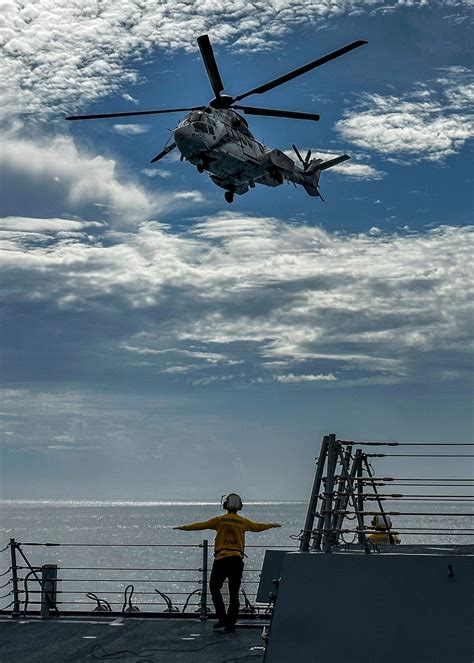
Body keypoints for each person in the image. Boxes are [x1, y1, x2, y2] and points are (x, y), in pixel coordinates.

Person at [174, 493, 281, 632]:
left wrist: (183, 527)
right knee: (234, 593)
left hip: (222, 559)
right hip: (237, 560)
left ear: (225, 505)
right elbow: (257, 527)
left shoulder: (220, 520)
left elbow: (200, 525)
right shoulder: (243, 522)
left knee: (214, 587)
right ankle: (230, 624)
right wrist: (271, 525)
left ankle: (222, 618)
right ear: (240, 507)